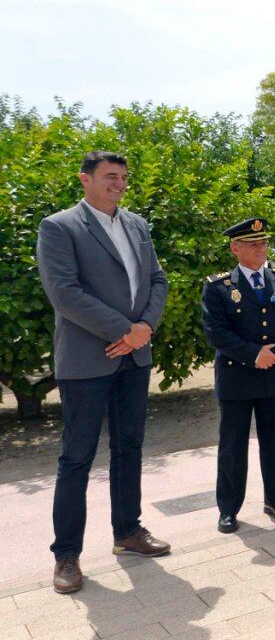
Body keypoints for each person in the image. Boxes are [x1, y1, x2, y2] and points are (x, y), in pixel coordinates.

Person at [36, 150, 171, 595]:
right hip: (88, 360)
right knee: (76, 458)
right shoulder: (60, 227)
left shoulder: (136, 223)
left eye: (124, 177)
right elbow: (64, 293)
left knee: (129, 448)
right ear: (85, 179)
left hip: (133, 356)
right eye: (110, 176)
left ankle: (127, 532)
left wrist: (145, 328)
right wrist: (124, 330)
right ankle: (67, 555)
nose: (119, 184)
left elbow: (157, 281)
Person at [201, 218, 275, 534]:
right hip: (237, 377)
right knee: (232, 446)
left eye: (264, 243)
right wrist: (253, 354)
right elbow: (215, 332)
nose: (261, 249)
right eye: (253, 244)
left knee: (274, 442)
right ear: (235, 248)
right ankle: (229, 509)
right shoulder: (219, 286)